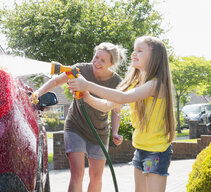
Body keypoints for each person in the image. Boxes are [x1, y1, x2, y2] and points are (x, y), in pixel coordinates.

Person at [68, 36, 176, 192]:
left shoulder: (156, 84)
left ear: (154, 56)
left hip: (157, 151)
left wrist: (87, 85)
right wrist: (86, 96)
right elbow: (107, 106)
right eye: (134, 50)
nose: (133, 54)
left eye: (139, 50)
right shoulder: (135, 82)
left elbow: (123, 98)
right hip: (140, 148)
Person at [32, 42, 126, 192]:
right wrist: (38, 92)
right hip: (75, 127)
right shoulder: (80, 69)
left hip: (100, 132)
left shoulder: (117, 82)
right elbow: (56, 81)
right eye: (96, 57)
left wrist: (115, 132)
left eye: (103, 60)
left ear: (111, 63)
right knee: (78, 174)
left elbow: (115, 110)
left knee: (96, 178)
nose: (97, 62)